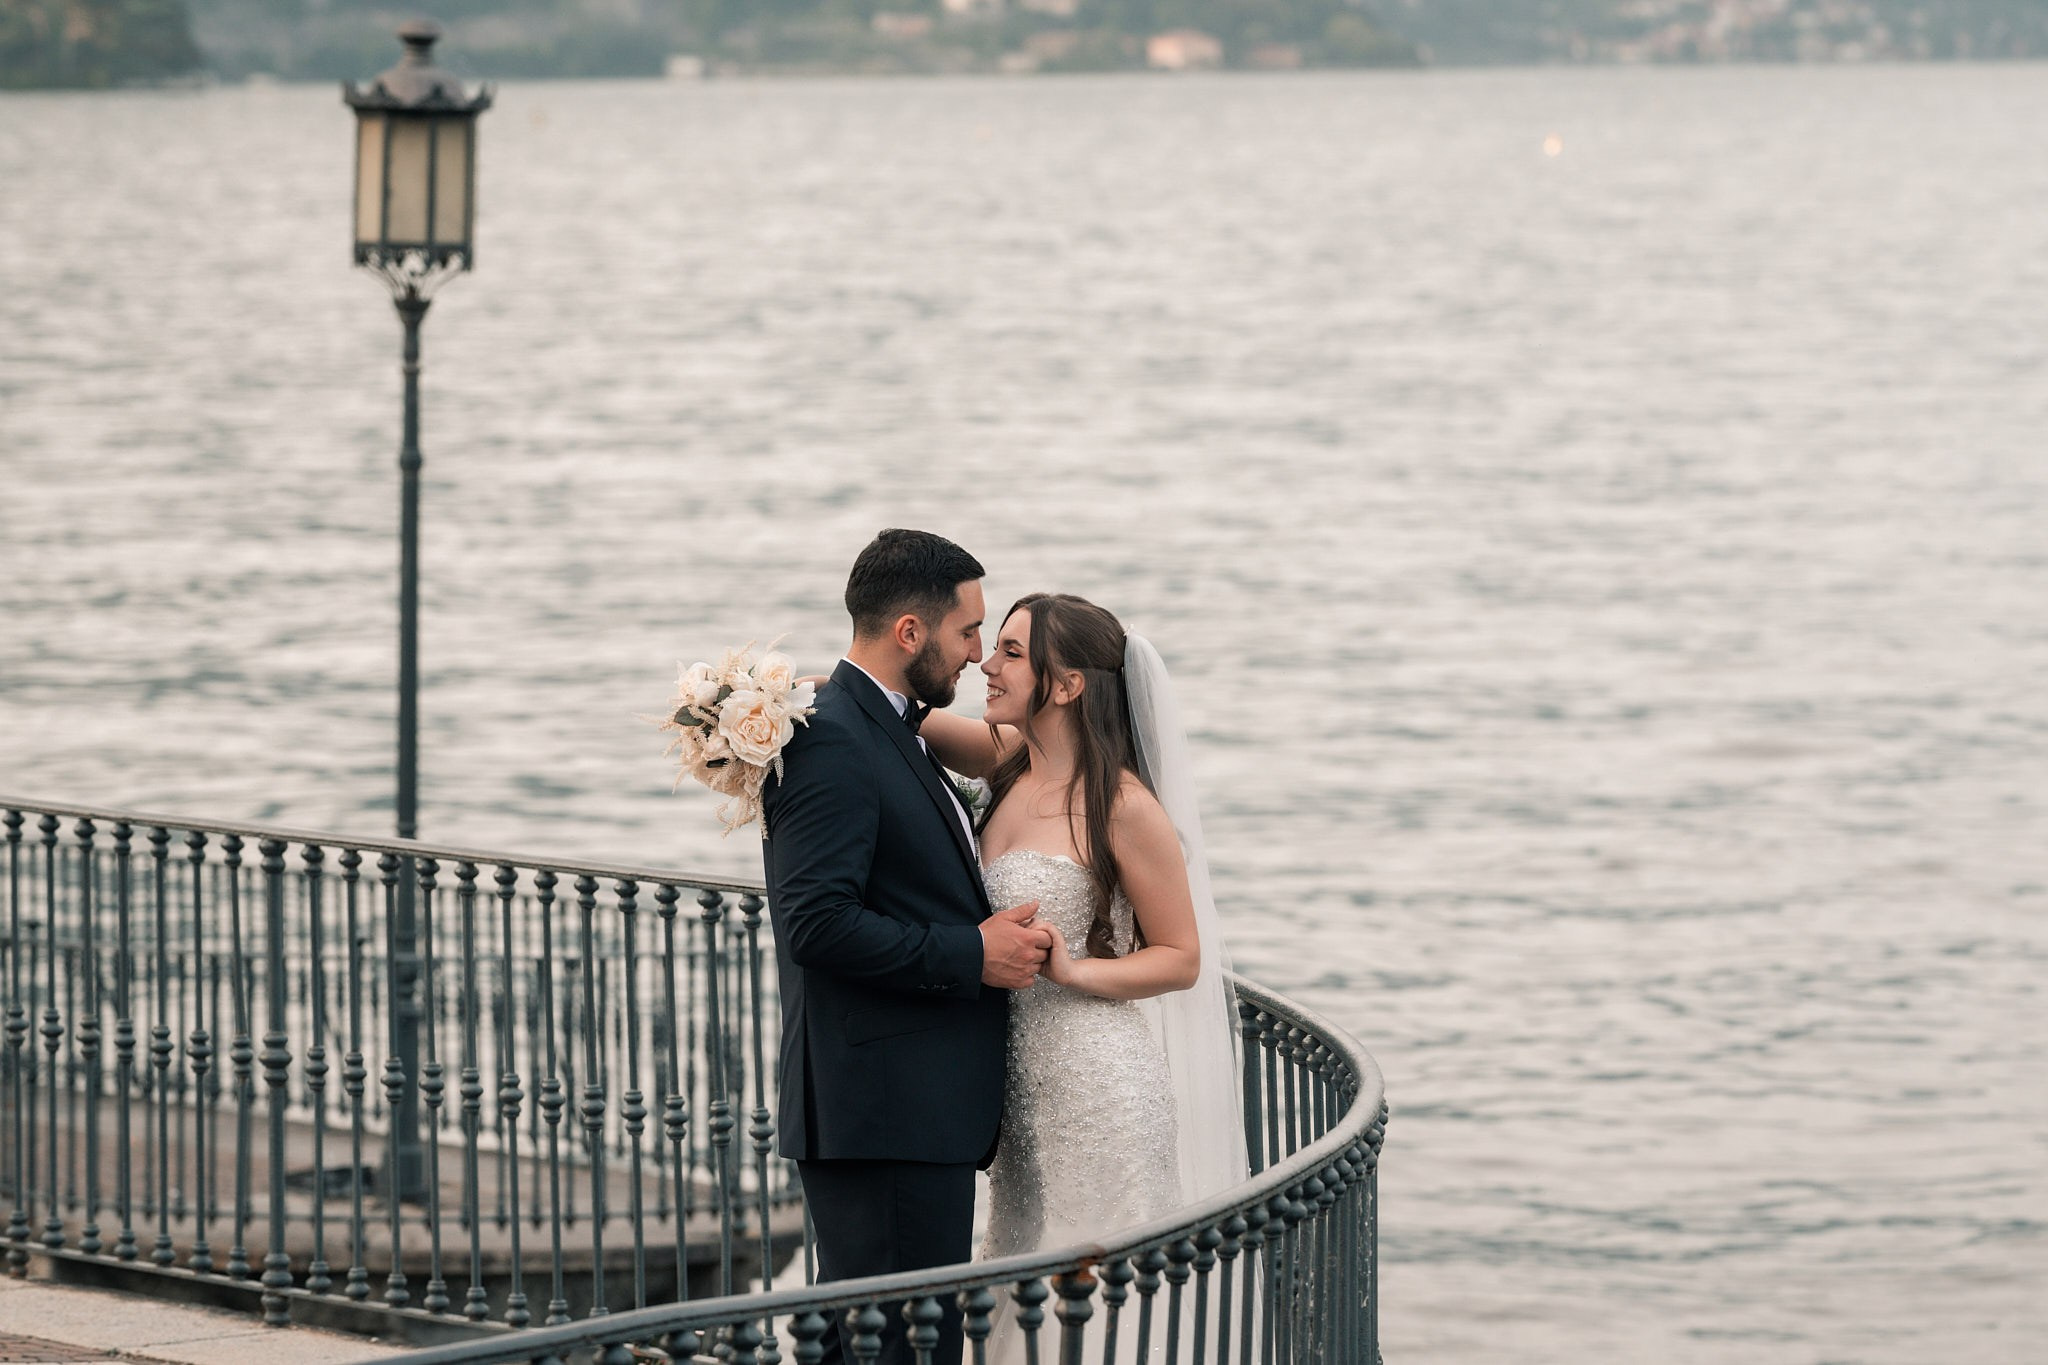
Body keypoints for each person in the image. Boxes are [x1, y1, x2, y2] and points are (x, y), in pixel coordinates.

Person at [915, 593, 1248, 1332]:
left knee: (1097, 1311)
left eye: (1008, 652)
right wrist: (766, 695)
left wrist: (1074, 971)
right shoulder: (1006, 760)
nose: (984, 665)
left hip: (1100, 1090)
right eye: (989, 645)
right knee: (1023, 1300)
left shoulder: (1123, 804)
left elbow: (1182, 956)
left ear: (1067, 684)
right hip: (1019, 1100)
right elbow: (888, 712)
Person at [761, 530, 1055, 1365]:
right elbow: (815, 923)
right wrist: (972, 953)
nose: (976, 653)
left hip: (904, 1111)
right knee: (891, 1350)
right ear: (910, 634)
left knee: (881, 1345)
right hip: (880, 1115)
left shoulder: (880, 723)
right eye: (968, 631)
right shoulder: (832, 737)